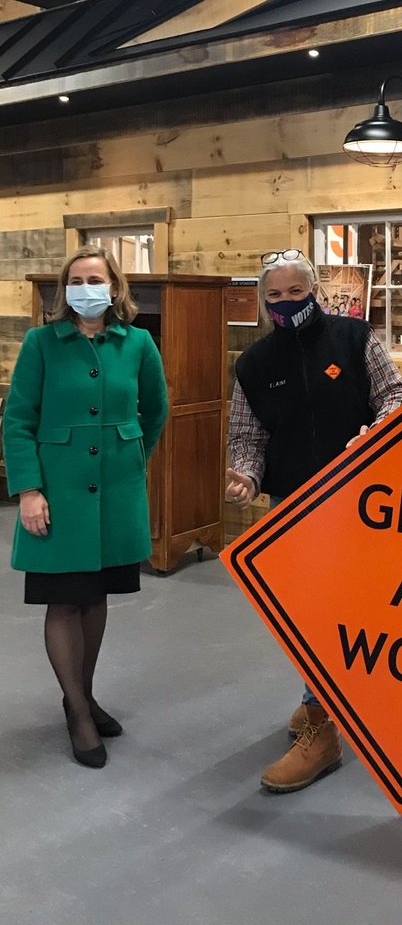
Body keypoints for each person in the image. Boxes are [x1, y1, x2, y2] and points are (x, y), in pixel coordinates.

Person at [226, 248, 402, 794]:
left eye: (296, 292)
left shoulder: (354, 338)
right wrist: (246, 476)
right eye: (274, 295)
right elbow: (247, 436)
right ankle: (320, 704)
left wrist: (379, 431)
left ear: (315, 292)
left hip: (361, 503)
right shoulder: (254, 363)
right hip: (294, 508)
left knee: (344, 612)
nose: (286, 302)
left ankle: (324, 728)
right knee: (308, 614)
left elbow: (394, 394)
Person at [3, 245, 168, 769]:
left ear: (114, 287)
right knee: (64, 602)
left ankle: (85, 695)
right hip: (57, 494)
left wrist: (131, 457)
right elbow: (18, 419)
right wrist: (29, 490)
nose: (85, 289)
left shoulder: (137, 343)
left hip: (116, 494)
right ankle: (77, 712)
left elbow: (155, 409)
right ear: (64, 290)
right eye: (75, 281)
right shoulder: (41, 343)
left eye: (95, 279)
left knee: (96, 600)